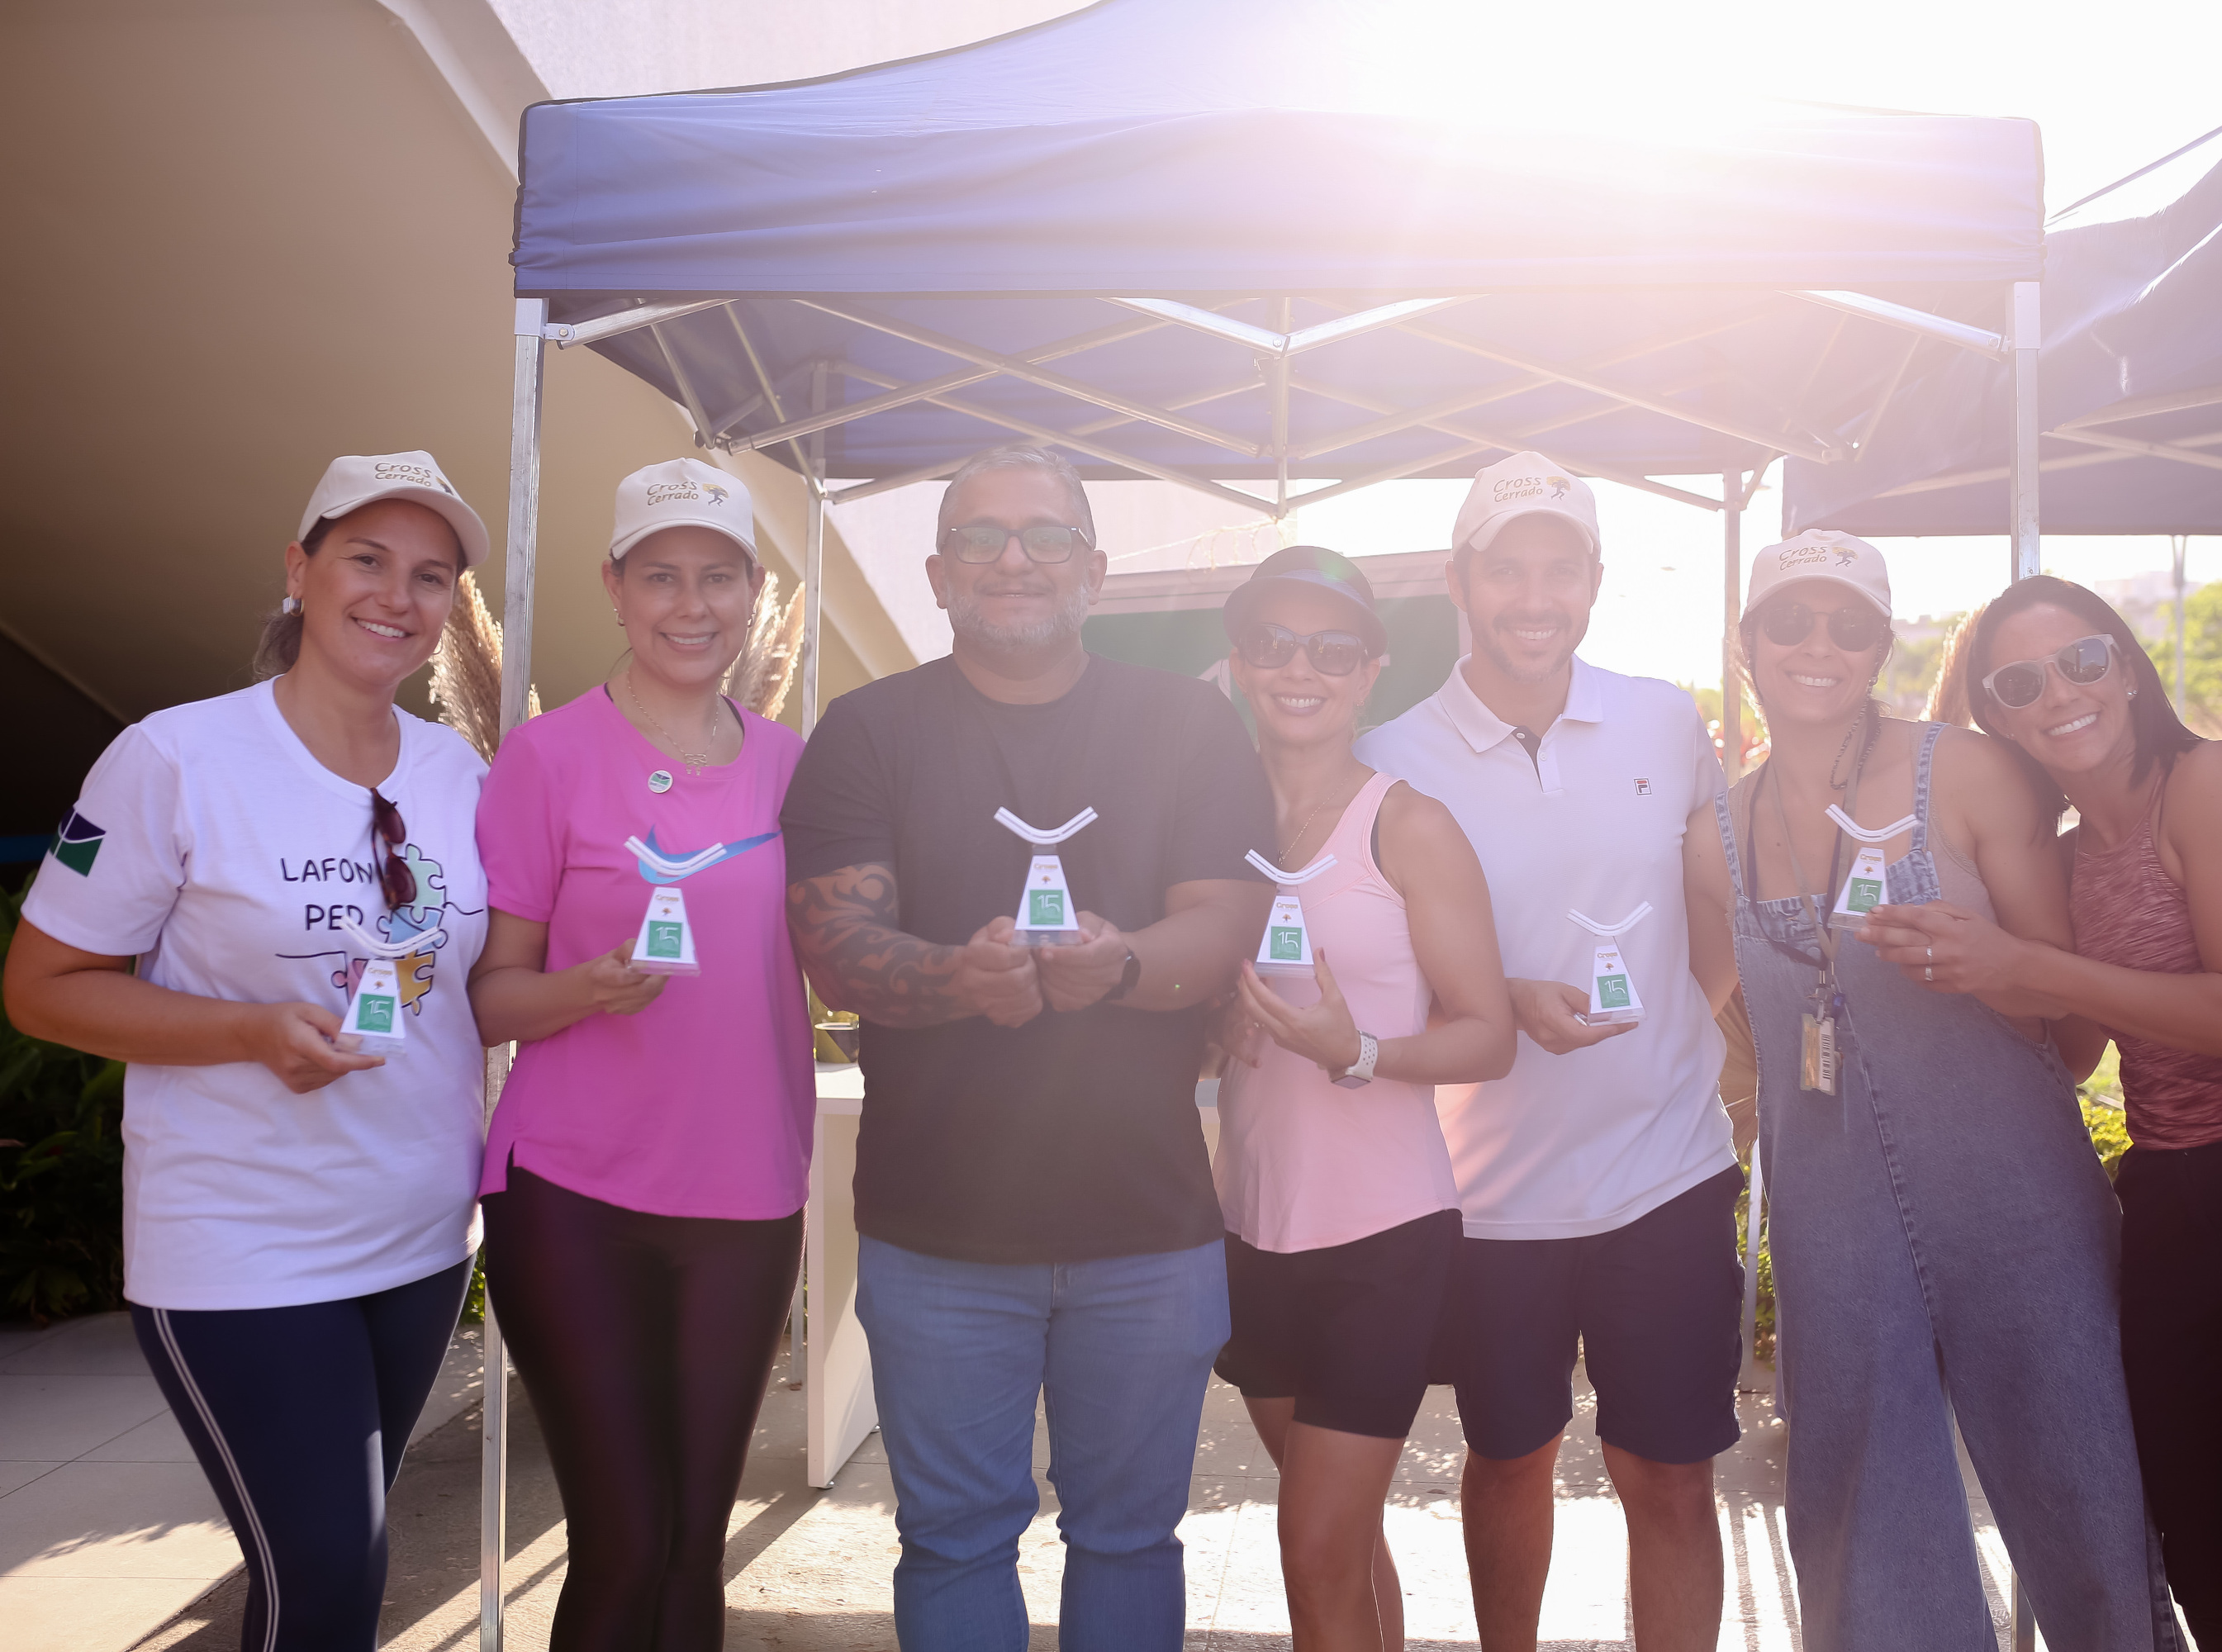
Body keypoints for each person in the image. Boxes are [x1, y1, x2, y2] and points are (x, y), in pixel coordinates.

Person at [1860, 572, 2222, 1650]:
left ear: (2125, 666)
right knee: (2202, 1552)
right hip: (2180, 1194)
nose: (2059, 693)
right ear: (1996, 718)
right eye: (2019, 683)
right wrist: (1954, 959)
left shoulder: (2218, 782)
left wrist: (2025, 963)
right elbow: (2073, 1050)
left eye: (2082, 659)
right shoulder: (2071, 858)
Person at [780, 443, 1276, 1650]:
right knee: (954, 1539)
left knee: (1130, 1538)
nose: (1015, 559)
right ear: (938, 574)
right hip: (939, 1232)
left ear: (1093, 570)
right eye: (982, 537)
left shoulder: (1186, 723)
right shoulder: (867, 730)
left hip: (1147, 1226)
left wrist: (1122, 964)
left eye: (1047, 535)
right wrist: (957, 979)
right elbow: (834, 944)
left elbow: (1228, 924)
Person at [2, 453, 492, 1650]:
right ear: (298, 569)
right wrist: (249, 1032)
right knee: (326, 1581)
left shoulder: (459, 772)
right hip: (241, 1243)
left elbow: (469, 990)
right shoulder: (172, 758)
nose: (397, 596)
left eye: (430, 575)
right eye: (366, 559)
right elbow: (41, 989)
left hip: (421, 1238)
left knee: (338, 1567)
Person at [1683, 534, 2177, 1651]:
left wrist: (1986, 970)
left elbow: (2072, 1026)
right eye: (1791, 622)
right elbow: (1690, 1021)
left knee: (2088, 1492)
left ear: (1881, 647)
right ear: (1747, 642)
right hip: (1832, 1221)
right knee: (1865, 1515)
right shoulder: (1715, 836)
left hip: (2019, 1198)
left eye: (1850, 624)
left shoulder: (1964, 772)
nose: (1819, 645)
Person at [1355, 452, 1744, 1652]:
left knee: (1670, 1477)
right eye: (1507, 569)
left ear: (1594, 581)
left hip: (1666, 1173)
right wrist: (1502, 999)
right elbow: (1379, 965)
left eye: (1560, 569)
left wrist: (1671, 1033)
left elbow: (1712, 917)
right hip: (1486, 1196)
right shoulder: (1387, 753)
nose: (1536, 597)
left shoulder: (1665, 718)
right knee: (1510, 1457)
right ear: (1459, 582)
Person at [467, 457, 815, 1650]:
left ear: (753, 593)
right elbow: (488, 1000)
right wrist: (585, 991)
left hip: (747, 1195)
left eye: (719, 576)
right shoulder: (546, 757)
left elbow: (842, 951)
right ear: (614, 588)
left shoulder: (793, 767)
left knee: (693, 1549)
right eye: (661, 576)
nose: (691, 604)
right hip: (574, 1198)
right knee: (621, 1546)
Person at [1208, 545, 1515, 1652]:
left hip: (1382, 1238)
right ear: (1241, 662)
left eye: (1333, 649)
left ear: (1370, 671)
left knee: (1313, 1546)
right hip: (1251, 1227)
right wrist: (1212, 1019)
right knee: (1337, 1541)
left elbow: (1490, 1035)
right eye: (1274, 643)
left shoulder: (1408, 824)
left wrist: (1362, 1049)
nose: (1302, 668)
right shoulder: (1213, 824)